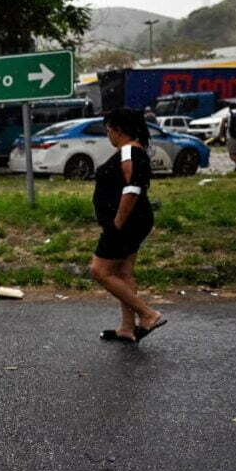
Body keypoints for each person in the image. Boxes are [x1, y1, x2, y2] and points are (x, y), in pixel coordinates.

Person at [90, 108, 167, 344]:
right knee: (123, 272)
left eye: (108, 131)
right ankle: (126, 328)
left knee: (100, 271)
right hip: (136, 220)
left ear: (117, 130)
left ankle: (148, 314)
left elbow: (132, 188)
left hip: (127, 221)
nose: (108, 136)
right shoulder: (135, 150)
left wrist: (116, 224)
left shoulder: (127, 151)